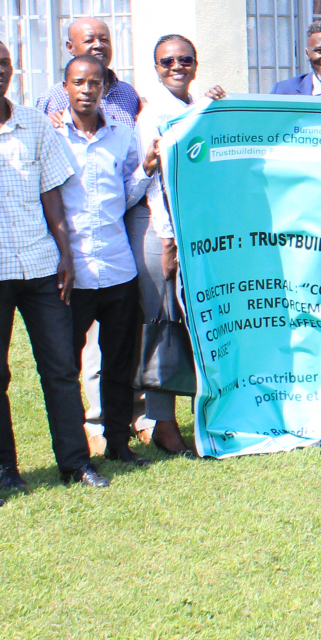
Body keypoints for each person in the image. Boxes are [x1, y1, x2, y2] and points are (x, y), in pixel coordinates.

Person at [0, 42, 106, 491]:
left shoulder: (34, 124)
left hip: (42, 264)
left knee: (60, 367)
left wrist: (65, 254)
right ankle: (3, 467)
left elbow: (52, 194)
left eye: (4, 63)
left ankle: (75, 463)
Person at [55, 52, 151, 468]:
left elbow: (127, 195)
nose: (87, 90)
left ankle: (118, 443)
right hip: (71, 271)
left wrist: (146, 170)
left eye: (95, 83)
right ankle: (75, 452)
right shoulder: (51, 135)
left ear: (104, 89)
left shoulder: (122, 135)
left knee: (118, 362)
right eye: (79, 82)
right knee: (64, 367)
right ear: (66, 88)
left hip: (117, 268)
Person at [137, 34, 223, 456]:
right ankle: (161, 421)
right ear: (156, 66)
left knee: (193, 326)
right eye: (167, 60)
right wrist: (168, 239)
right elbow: (152, 184)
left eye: (185, 59)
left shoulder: (191, 109)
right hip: (166, 235)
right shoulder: (153, 116)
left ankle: (193, 417)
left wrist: (215, 107)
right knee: (165, 325)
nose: (177, 66)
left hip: (197, 233)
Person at [37, 17, 140, 126]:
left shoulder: (127, 93)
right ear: (70, 47)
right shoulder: (52, 99)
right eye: (89, 40)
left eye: (104, 40)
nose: (98, 45)